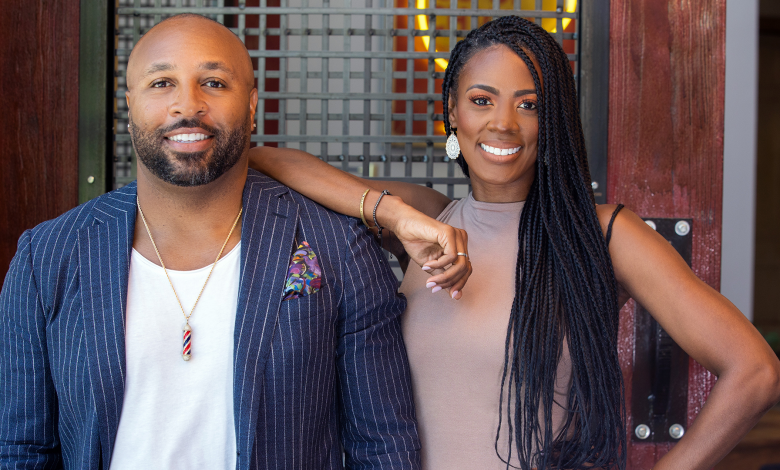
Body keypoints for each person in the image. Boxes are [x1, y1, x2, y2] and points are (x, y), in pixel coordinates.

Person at [249, 15, 780, 470]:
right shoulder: (428, 218)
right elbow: (264, 162)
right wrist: (395, 216)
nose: (503, 124)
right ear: (452, 112)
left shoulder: (603, 235)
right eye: (482, 100)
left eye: (529, 105)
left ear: (553, 120)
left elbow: (755, 372)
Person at [0, 14, 470, 469]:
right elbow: (22, 450)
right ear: (129, 106)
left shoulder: (339, 246)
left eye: (214, 83)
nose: (188, 105)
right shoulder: (48, 257)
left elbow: (384, 447)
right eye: (162, 83)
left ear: (251, 105)